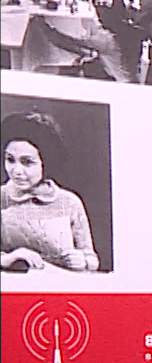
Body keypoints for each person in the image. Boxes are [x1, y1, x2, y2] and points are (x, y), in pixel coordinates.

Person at [2, 112, 100, 273]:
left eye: (27, 162)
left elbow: (92, 259)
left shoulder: (69, 202)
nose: (16, 170)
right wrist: (10, 258)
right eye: (10, 159)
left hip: (60, 285)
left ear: (46, 162)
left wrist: (82, 260)